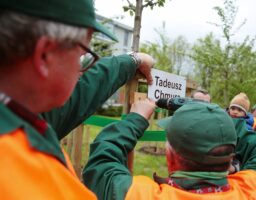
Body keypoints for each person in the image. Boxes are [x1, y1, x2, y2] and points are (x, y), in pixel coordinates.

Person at [0, 0, 155, 199]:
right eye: (83, 55)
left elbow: (82, 93)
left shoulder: (20, 112)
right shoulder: (27, 173)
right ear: (45, 54)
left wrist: (133, 60)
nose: (82, 71)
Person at [83, 100, 256, 200]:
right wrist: (217, 118)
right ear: (231, 157)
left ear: (171, 156)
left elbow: (103, 159)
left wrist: (135, 120)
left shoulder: (138, 194)